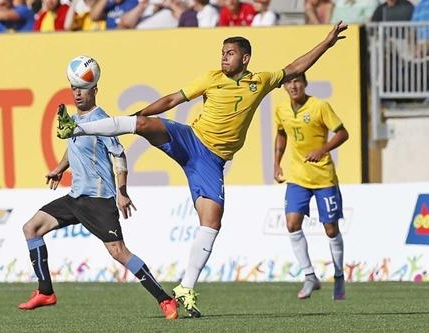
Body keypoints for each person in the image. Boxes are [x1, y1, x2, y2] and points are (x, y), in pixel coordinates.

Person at [56, 22, 348, 317]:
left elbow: (295, 66)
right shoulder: (211, 78)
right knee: (142, 123)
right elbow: (173, 99)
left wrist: (326, 42)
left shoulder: (260, 81)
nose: (224, 58)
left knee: (211, 223)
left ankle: (186, 287)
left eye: (230, 53)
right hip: (190, 140)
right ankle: (78, 127)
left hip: (212, 162)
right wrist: (139, 115)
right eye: (222, 52)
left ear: (245, 58)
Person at [18, 56, 178, 320]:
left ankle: (164, 299)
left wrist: (123, 192)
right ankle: (45, 291)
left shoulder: (102, 119)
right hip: (74, 197)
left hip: (98, 200)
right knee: (31, 228)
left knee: (119, 253)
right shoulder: (73, 120)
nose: (77, 93)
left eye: (82, 89)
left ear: (94, 90)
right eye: (74, 89)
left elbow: (119, 155)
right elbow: (73, 147)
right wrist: (60, 168)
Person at [273, 73, 349, 300]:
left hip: (324, 177)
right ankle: (310, 276)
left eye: (298, 81)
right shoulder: (281, 109)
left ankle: (338, 275)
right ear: (284, 86)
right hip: (297, 177)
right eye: (289, 82)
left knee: (330, 229)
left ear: (305, 84)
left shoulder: (319, 106)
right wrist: (276, 163)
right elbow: (281, 134)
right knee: (291, 223)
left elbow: (343, 133)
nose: (293, 85)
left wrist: (322, 149)